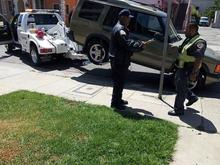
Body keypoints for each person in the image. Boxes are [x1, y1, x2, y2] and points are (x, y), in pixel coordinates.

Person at [109, 9, 150, 110]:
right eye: (128, 18)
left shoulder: (121, 28)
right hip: (119, 61)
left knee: (120, 81)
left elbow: (127, 41)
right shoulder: (120, 30)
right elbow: (126, 44)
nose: (129, 20)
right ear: (123, 18)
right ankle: (115, 103)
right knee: (118, 82)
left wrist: (138, 43)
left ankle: (118, 99)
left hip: (120, 59)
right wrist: (139, 45)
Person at [168, 23, 207, 116]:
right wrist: (177, 48)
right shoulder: (190, 38)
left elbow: (199, 58)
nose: (185, 31)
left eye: (187, 29)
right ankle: (191, 97)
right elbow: (187, 51)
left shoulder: (199, 42)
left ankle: (178, 110)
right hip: (181, 67)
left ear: (193, 30)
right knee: (179, 85)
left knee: (180, 90)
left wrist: (194, 73)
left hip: (188, 69)